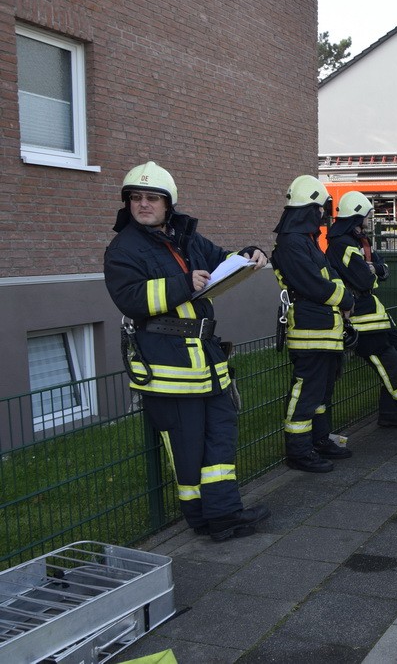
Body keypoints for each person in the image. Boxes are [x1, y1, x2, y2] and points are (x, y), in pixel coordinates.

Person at [104, 161, 270, 542]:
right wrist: (181, 283)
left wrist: (249, 253)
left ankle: (225, 514)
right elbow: (129, 298)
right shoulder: (123, 248)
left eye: (152, 198)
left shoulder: (187, 237)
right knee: (187, 446)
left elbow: (220, 259)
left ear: (168, 204)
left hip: (206, 359)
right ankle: (202, 518)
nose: (143, 204)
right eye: (136, 198)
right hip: (168, 365)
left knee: (221, 437)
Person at [271, 175, 355, 473]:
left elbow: (326, 278)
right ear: (309, 209)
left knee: (320, 394)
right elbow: (314, 285)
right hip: (310, 332)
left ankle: (319, 440)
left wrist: (344, 300)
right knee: (306, 393)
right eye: (320, 209)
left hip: (324, 331)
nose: (322, 215)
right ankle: (299, 451)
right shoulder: (292, 243)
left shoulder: (303, 241)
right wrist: (346, 300)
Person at [326, 191, 397, 427]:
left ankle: (390, 415)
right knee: (392, 366)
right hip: (361, 319)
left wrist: (373, 269)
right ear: (357, 217)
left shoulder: (360, 242)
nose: (370, 219)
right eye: (367, 215)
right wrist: (373, 271)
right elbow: (365, 281)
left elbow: (383, 269)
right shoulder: (342, 245)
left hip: (375, 315)